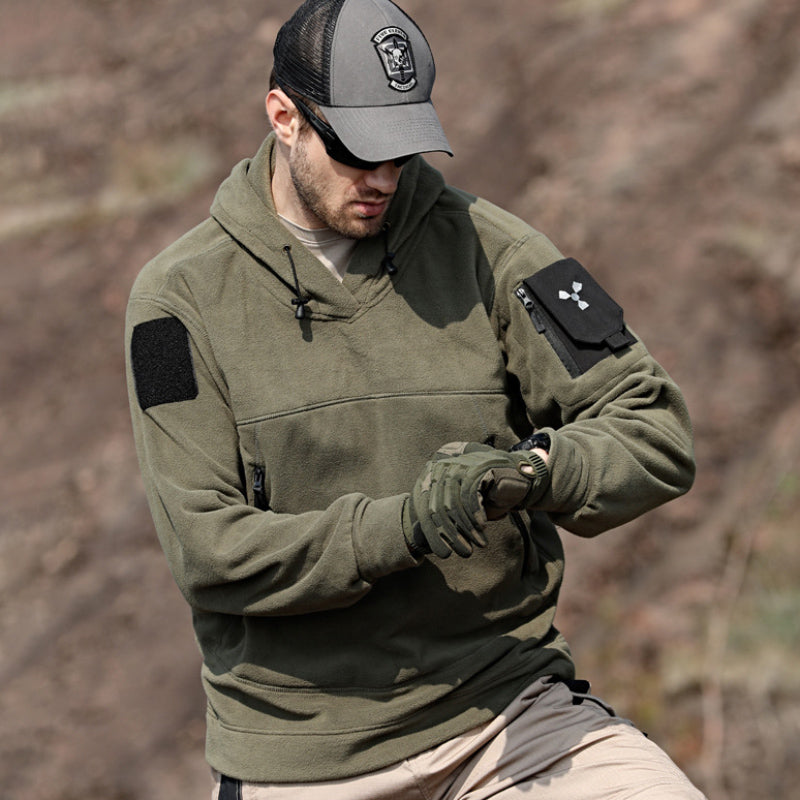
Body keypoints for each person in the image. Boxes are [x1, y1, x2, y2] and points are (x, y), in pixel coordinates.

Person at [125, 0, 705, 797]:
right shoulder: (172, 305)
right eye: (357, 151)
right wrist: (407, 526)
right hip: (302, 760)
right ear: (284, 116)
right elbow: (207, 551)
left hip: (507, 714)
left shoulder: (493, 249)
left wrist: (533, 473)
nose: (382, 179)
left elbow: (655, 430)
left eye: (401, 152)